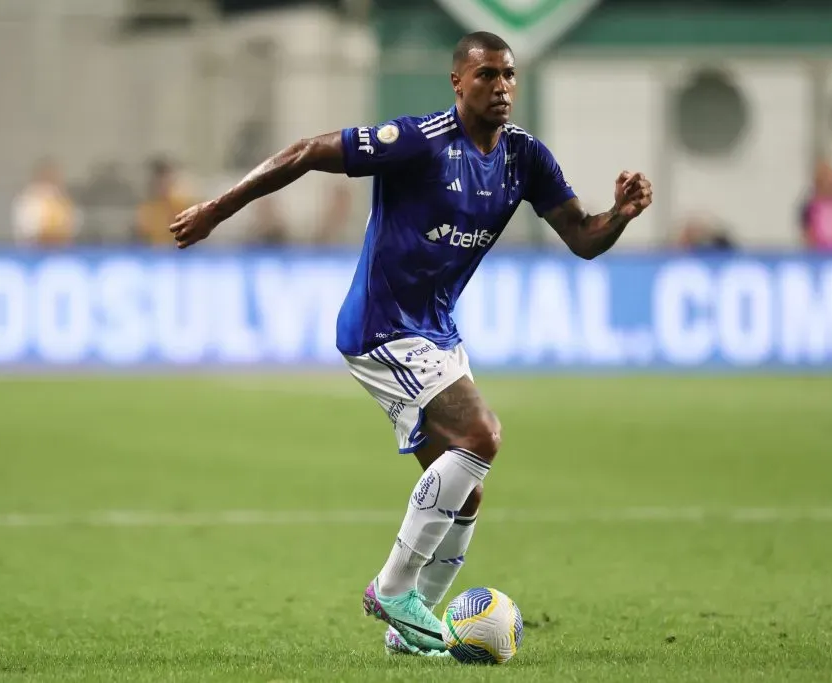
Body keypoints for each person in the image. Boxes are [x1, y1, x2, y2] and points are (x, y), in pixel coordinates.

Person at [169, 31, 652, 656]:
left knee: (467, 487)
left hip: (437, 332)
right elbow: (307, 151)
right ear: (458, 82)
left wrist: (619, 215)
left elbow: (583, 239)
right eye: (486, 76)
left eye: (508, 75)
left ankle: (407, 627)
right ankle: (394, 589)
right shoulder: (418, 142)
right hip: (380, 327)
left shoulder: (525, 158)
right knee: (482, 436)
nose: (501, 87)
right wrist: (217, 208)